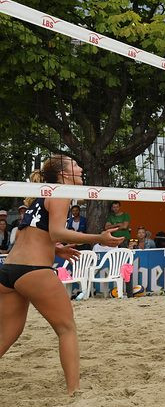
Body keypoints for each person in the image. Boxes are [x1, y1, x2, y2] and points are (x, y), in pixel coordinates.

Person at [0, 154, 122, 394]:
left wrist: (56, 250)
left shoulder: (42, 194)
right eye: (75, 165)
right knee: (66, 329)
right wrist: (99, 237)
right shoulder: (59, 192)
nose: (80, 168)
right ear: (64, 173)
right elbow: (56, 231)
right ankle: (73, 392)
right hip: (33, 272)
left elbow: (33, 233)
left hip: (8, 271)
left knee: (6, 336)